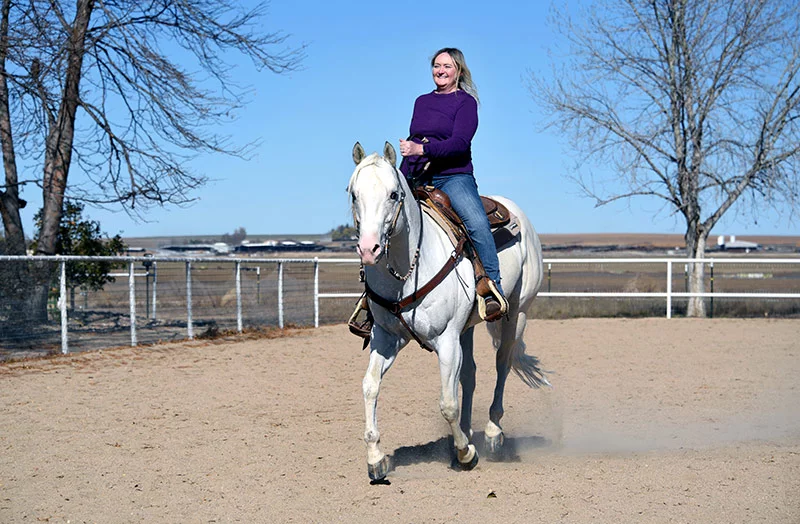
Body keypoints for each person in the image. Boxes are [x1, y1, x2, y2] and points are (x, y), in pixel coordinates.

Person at [398, 47, 508, 322]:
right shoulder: (421, 101)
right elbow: (416, 137)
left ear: (458, 70)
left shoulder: (466, 103)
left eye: (447, 66)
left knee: (476, 223)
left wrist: (422, 150)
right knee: (388, 218)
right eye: (437, 65)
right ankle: (373, 297)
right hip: (419, 174)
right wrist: (401, 176)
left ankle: (491, 287)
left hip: (453, 175)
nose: (441, 71)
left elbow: (460, 144)